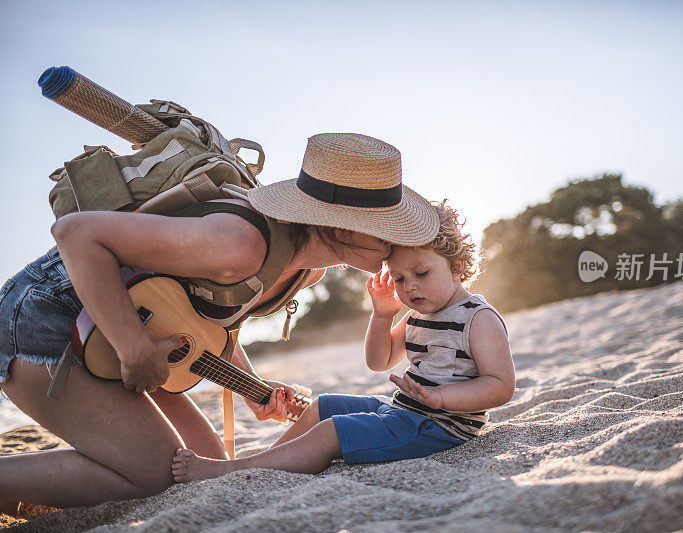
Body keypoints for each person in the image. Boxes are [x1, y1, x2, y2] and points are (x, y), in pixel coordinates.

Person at [0, 133, 440, 513]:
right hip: (44, 317)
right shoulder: (239, 244)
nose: (395, 242)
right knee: (159, 476)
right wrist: (133, 346)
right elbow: (76, 234)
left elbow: (203, 321)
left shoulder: (308, 268)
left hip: (120, 324)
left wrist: (250, 386)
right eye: (383, 227)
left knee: (203, 470)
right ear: (338, 225)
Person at [170, 201, 515, 481]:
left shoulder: (477, 317)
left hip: (440, 428)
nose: (409, 287)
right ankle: (265, 461)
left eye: (421, 274)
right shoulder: (418, 315)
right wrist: (382, 315)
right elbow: (379, 361)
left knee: (333, 431)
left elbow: (500, 385)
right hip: (405, 412)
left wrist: (440, 398)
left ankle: (231, 470)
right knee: (322, 406)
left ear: (457, 267)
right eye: (399, 278)